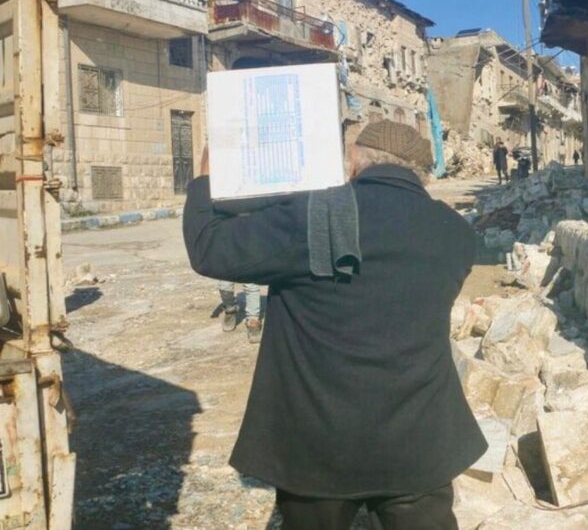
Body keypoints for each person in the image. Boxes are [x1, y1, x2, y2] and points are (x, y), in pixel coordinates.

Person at [183, 121, 484, 529]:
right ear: (423, 173)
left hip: (320, 444)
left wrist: (206, 179)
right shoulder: (456, 232)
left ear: (354, 160)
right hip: (420, 439)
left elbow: (210, 248)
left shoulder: (318, 215)